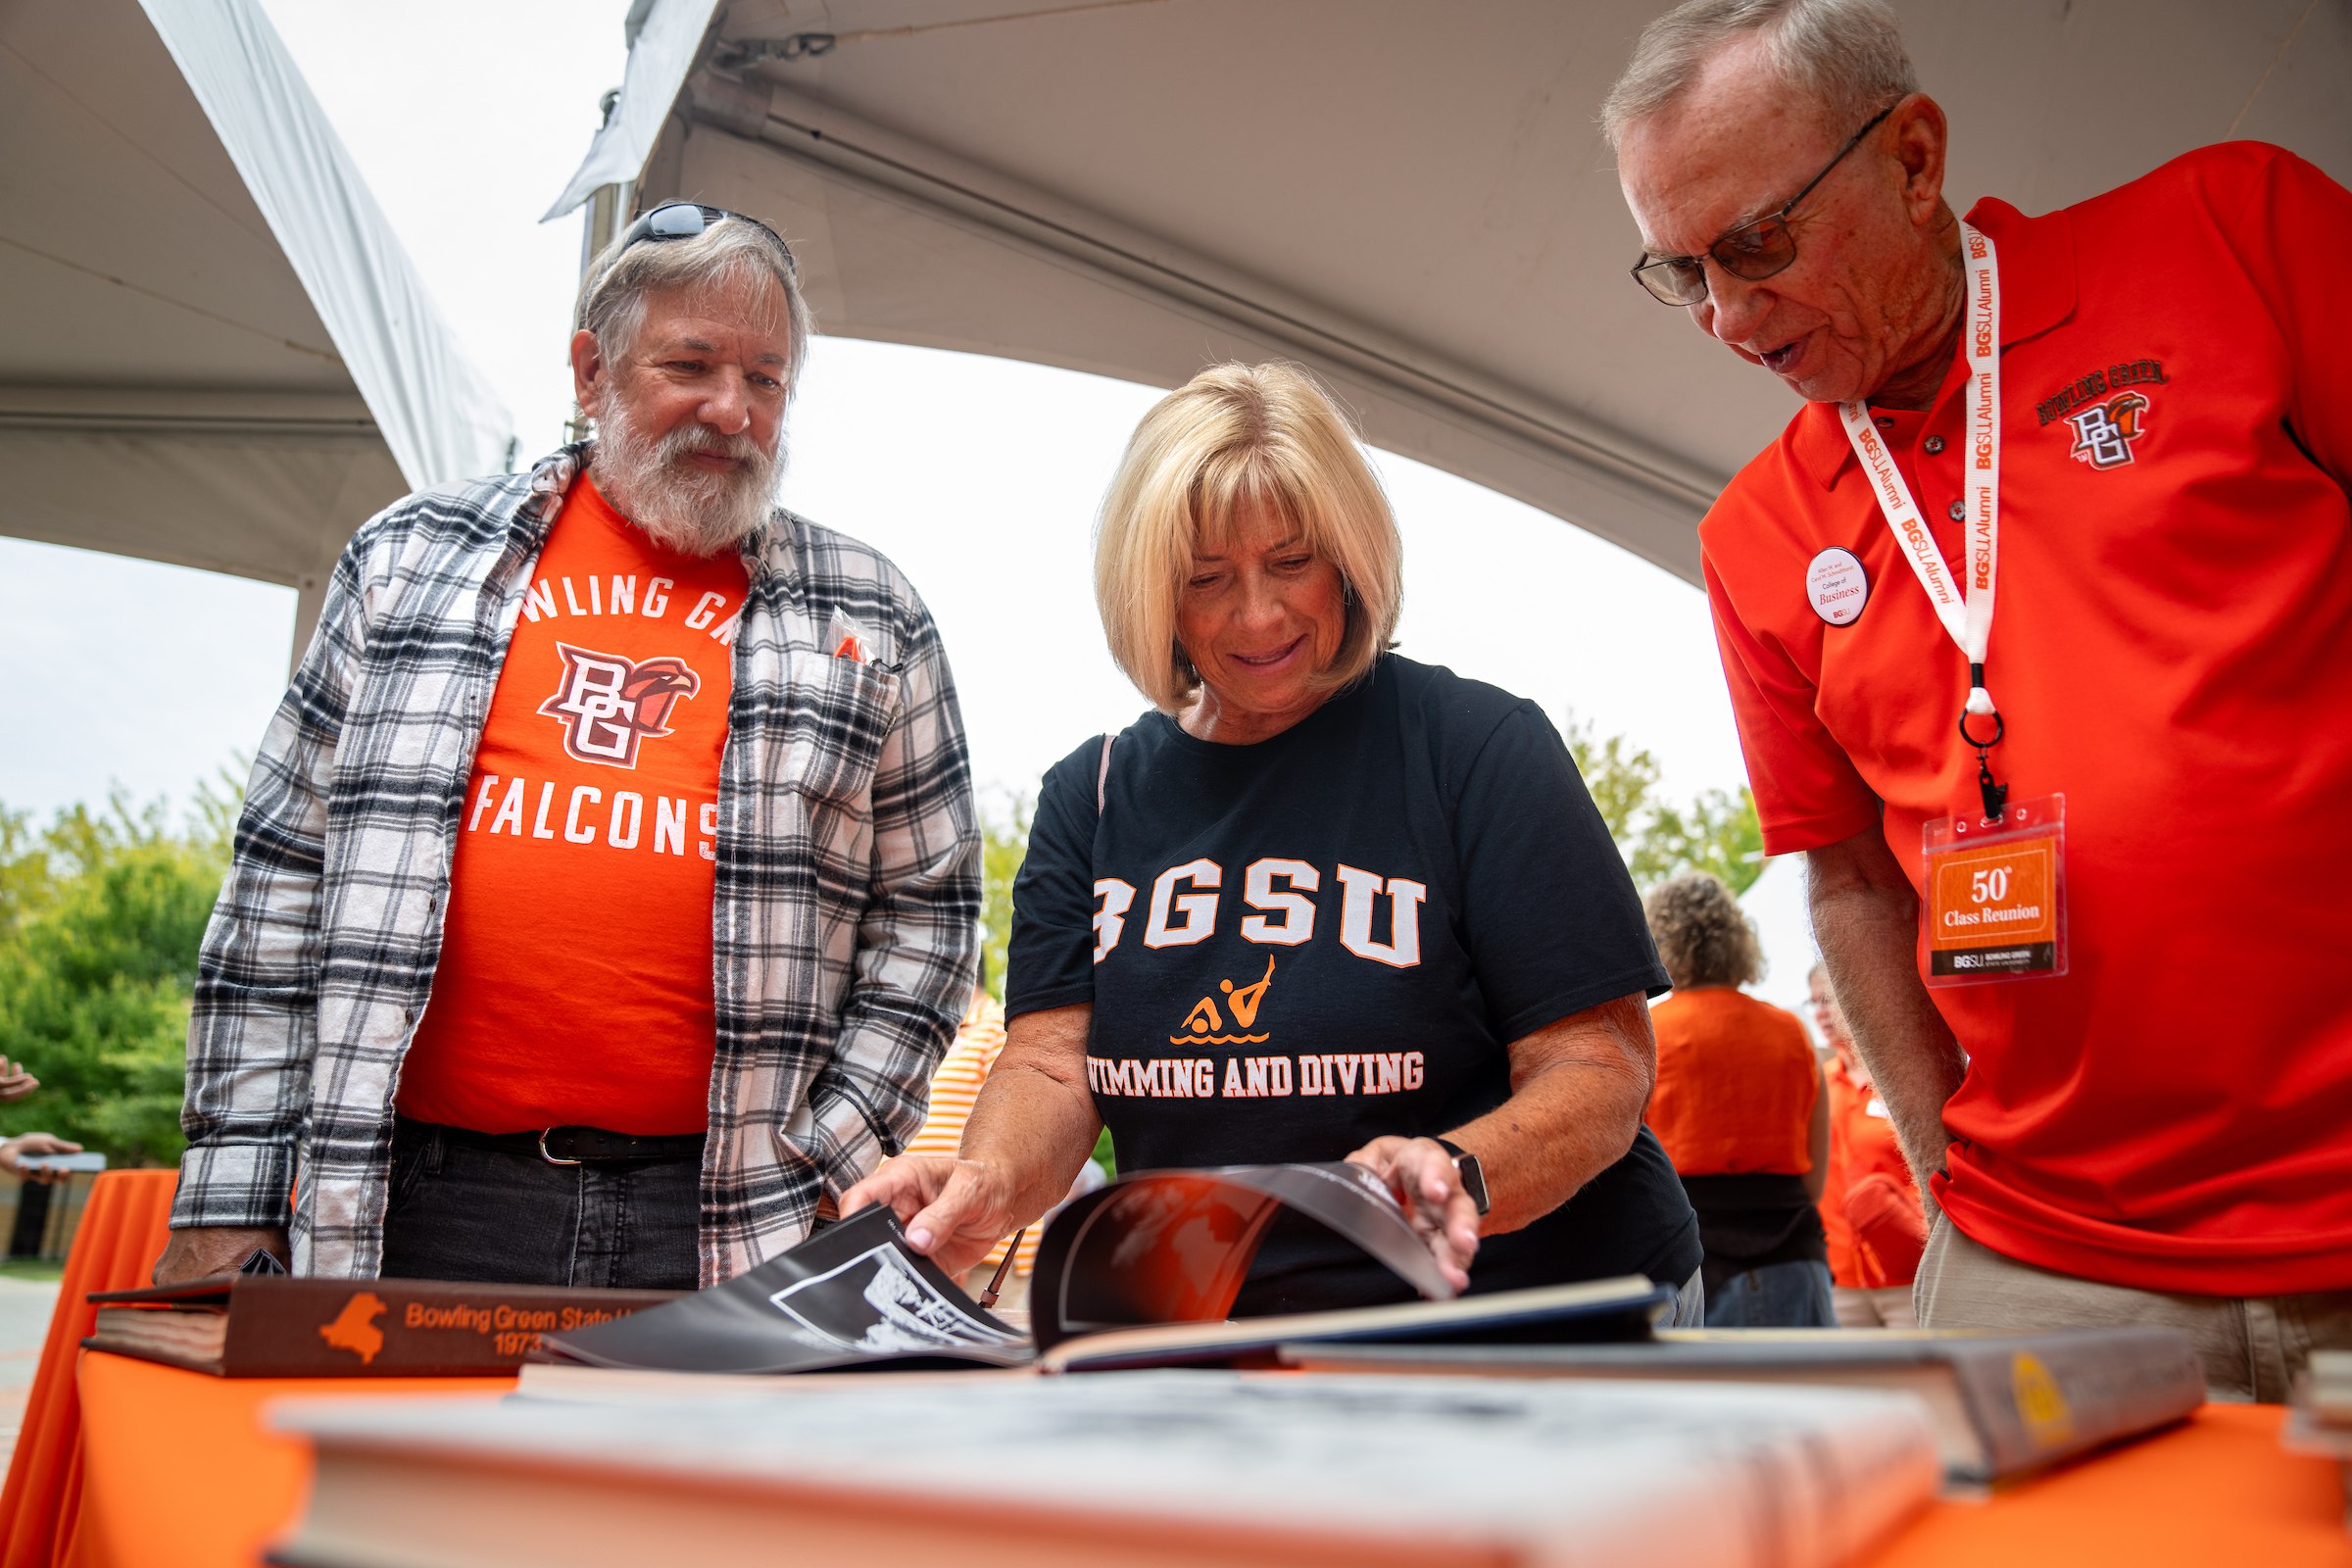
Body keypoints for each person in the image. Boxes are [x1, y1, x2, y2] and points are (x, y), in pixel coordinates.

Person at [1604, 0, 2352, 1394]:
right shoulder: (1756, 537)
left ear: (1914, 159)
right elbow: (1849, 883)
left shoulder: (2234, 233)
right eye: (1682, 272)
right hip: (2044, 1260)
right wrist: (1944, 1175)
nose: (1728, 318)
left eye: (1756, 245)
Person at [156, 202, 980, 1290]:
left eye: (766, 379)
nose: (732, 409)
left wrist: (831, 1149)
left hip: (732, 1214)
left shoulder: (873, 611)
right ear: (592, 372)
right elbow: (280, 879)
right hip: (422, 1197)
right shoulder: (408, 559)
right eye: (691, 365)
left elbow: (931, 915)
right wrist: (229, 1195)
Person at [847, 363, 1702, 1317]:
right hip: (1231, 1327)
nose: (1258, 614)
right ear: (1153, 595)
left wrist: (1459, 1170)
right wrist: (989, 1180)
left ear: (1350, 559)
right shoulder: (1092, 795)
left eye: (1291, 562)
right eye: (1207, 579)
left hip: (1525, 1313)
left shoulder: (1477, 749)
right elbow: (1052, 1063)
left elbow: (1599, 1066)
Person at [1642, 874, 1830, 1327]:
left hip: (1691, 1259)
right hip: (1792, 1253)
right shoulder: (1789, 1030)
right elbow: (1814, 1181)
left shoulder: (1649, 1036)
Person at [1809, 963, 1922, 1328]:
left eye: (1829, 999)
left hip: (1909, 1274)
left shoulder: (1902, 1082)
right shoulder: (1817, 1085)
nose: (1821, 1012)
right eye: (1814, 1002)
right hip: (1841, 1281)